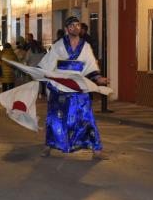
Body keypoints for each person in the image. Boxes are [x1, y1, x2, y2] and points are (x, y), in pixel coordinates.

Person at [39, 16, 108, 159]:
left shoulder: (86, 47)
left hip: (78, 88)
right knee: (55, 119)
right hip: (60, 89)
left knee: (86, 118)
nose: (75, 28)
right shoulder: (58, 45)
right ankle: (49, 144)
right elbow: (46, 64)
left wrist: (98, 78)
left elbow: (90, 66)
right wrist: (38, 73)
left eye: (77, 25)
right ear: (66, 29)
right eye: (72, 26)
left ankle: (96, 150)